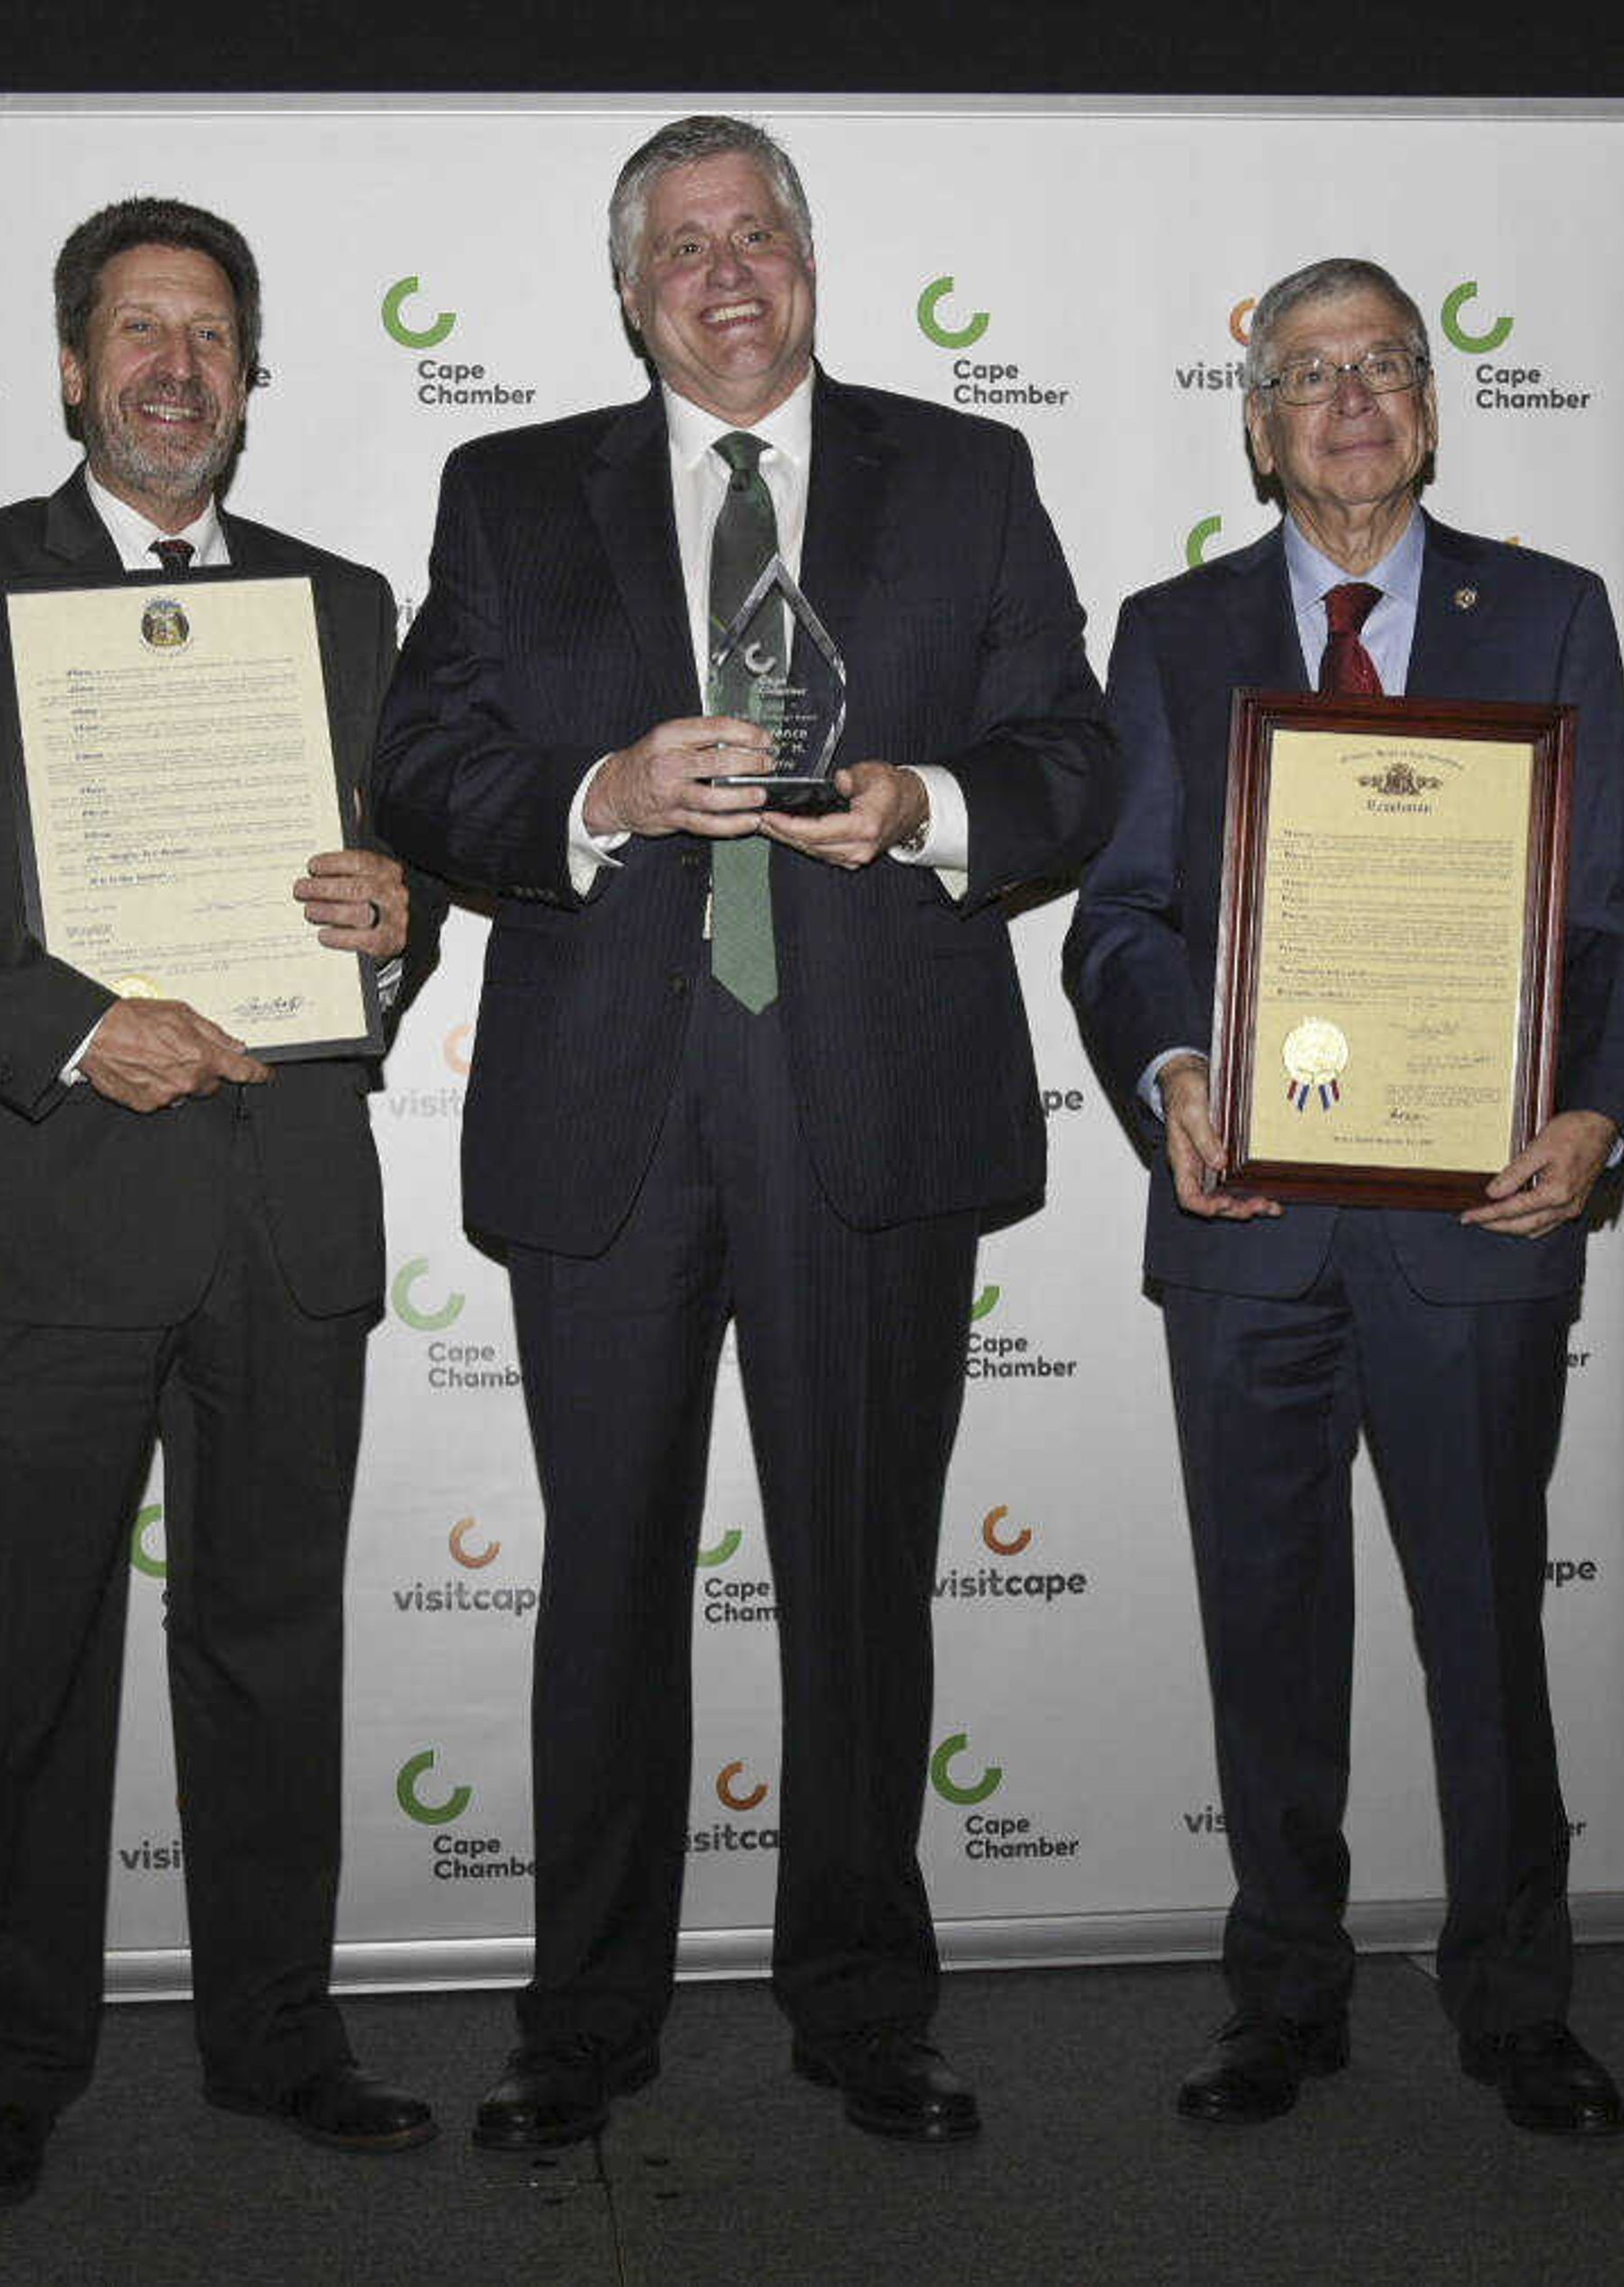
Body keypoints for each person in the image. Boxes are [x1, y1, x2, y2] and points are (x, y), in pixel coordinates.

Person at [374, 114, 1109, 2150]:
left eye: (761, 233)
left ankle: (867, 2006)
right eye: (684, 244)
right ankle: (583, 2029)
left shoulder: (966, 477)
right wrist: (597, 792)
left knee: (863, 1580)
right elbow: (426, 755)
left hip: (871, 1103)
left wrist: (926, 806)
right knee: (606, 1579)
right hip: (610, 1113)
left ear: (811, 261)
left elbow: (1075, 752)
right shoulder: (510, 492)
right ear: (630, 289)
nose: (727, 270)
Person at [0, 195, 441, 2207]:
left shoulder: (344, 605)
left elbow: (375, 890)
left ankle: (275, 2035)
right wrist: (79, 1027)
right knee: (21, 1661)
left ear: (251, 377)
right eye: (138, 331)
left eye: (213, 334)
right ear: (74, 367)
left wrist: (393, 921)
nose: (177, 366)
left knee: (272, 1650)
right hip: (42, 1210)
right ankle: (5, 2062)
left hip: (283, 1213)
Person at [1062, 255, 1624, 2139]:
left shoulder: (1551, 615)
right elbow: (1122, 917)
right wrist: (1175, 1070)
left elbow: (1619, 938)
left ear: (1431, 406)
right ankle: (1285, 1996)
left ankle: (1515, 2003)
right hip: (1249, 1224)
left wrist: (1589, 1119)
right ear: (1254, 426)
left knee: (1488, 1630)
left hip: (1475, 1225)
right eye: (1307, 372)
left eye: (1385, 365)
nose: (1348, 396)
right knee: (1267, 1626)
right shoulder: (1173, 630)